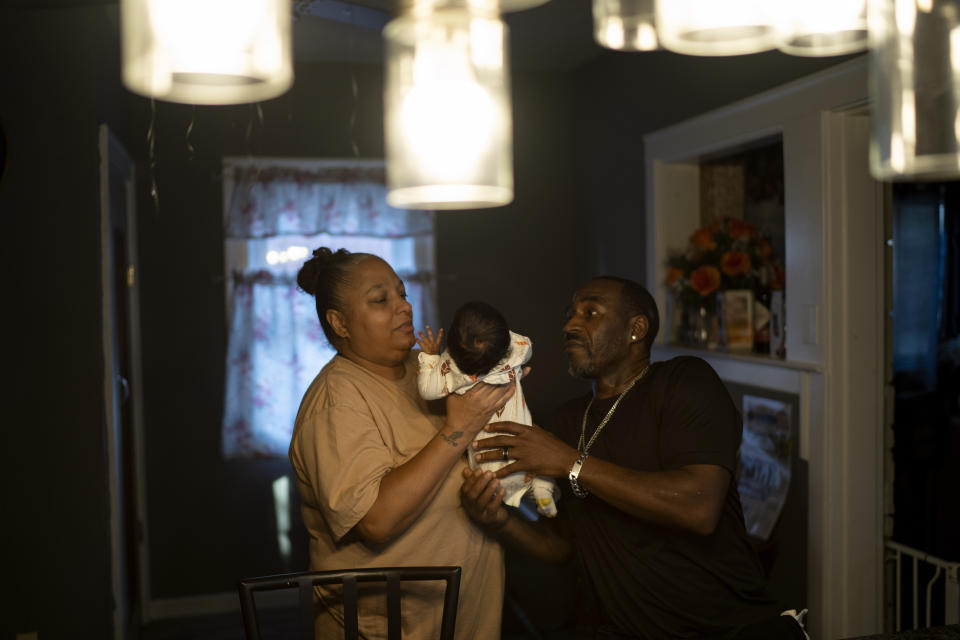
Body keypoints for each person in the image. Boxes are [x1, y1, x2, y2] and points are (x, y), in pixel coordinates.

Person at [460, 276, 808, 640]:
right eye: (570, 314)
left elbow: (699, 507)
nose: (570, 325)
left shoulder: (683, 381)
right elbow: (563, 544)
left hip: (728, 630)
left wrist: (570, 463)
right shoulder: (566, 421)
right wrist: (498, 520)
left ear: (636, 329)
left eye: (590, 312)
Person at [288, 247, 516, 640]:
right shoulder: (336, 400)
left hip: (466, 616)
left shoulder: (429, 370)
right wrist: (455, 430)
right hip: (390, 628)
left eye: (403, 294)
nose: (404, 308)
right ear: (339, 323)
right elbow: (375, 520)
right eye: (381, 300)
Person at [416, 301, 559, 517]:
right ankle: (542, 488)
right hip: (526, 450)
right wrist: (499, 336)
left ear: (452, 345)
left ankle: (533, 491)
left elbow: (428, 390)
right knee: (540, 470)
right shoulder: (515, 352)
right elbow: (527, 345)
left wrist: (431, 357)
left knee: (491, 484)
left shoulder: (451, 368)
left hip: (491, 469)